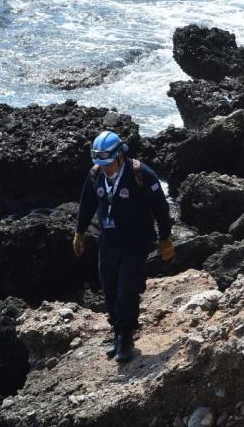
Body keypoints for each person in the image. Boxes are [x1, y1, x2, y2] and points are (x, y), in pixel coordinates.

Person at [72, 131, 175, 363]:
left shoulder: (141, 174)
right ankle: (117, 332)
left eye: (109, 163)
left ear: (120, 155)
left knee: (127, 289)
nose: (106, 168)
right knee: (108, 288)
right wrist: (79, 232)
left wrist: (165, 238)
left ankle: (126, 338)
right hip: (108, 242)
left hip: (136, 243)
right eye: (101, 163)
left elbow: (161, 208)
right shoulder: (95, 174)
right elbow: (87, 203)